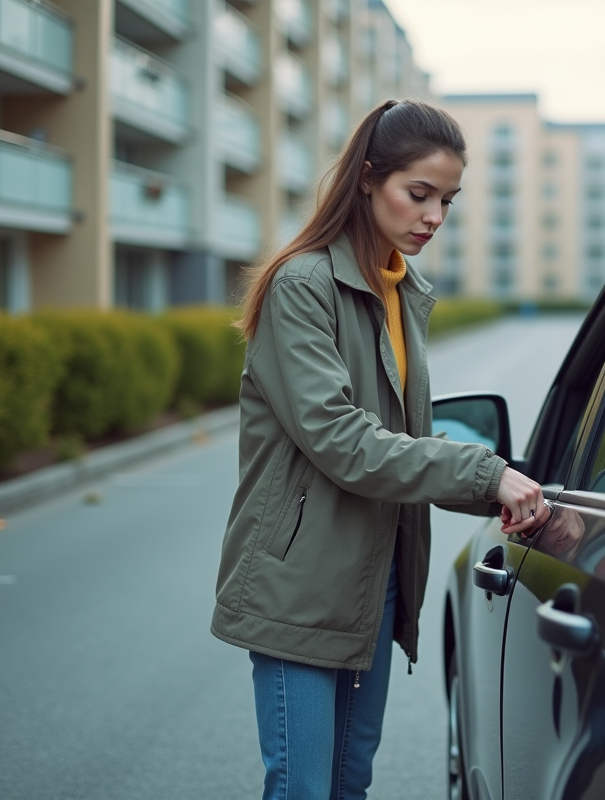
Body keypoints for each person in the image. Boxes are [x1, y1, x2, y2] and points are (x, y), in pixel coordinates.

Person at [211, 99, 552, 800]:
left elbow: (404, 443)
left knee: (347, 787)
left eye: (447, 201)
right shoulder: (303, 285)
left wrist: (503, 485)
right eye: (418, 193)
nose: (433, 216)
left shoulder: (398, 291)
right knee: (304, 790)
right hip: (298, 586)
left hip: (376, 576)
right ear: (368, 179)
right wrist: (486, 472)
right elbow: (342, 439)